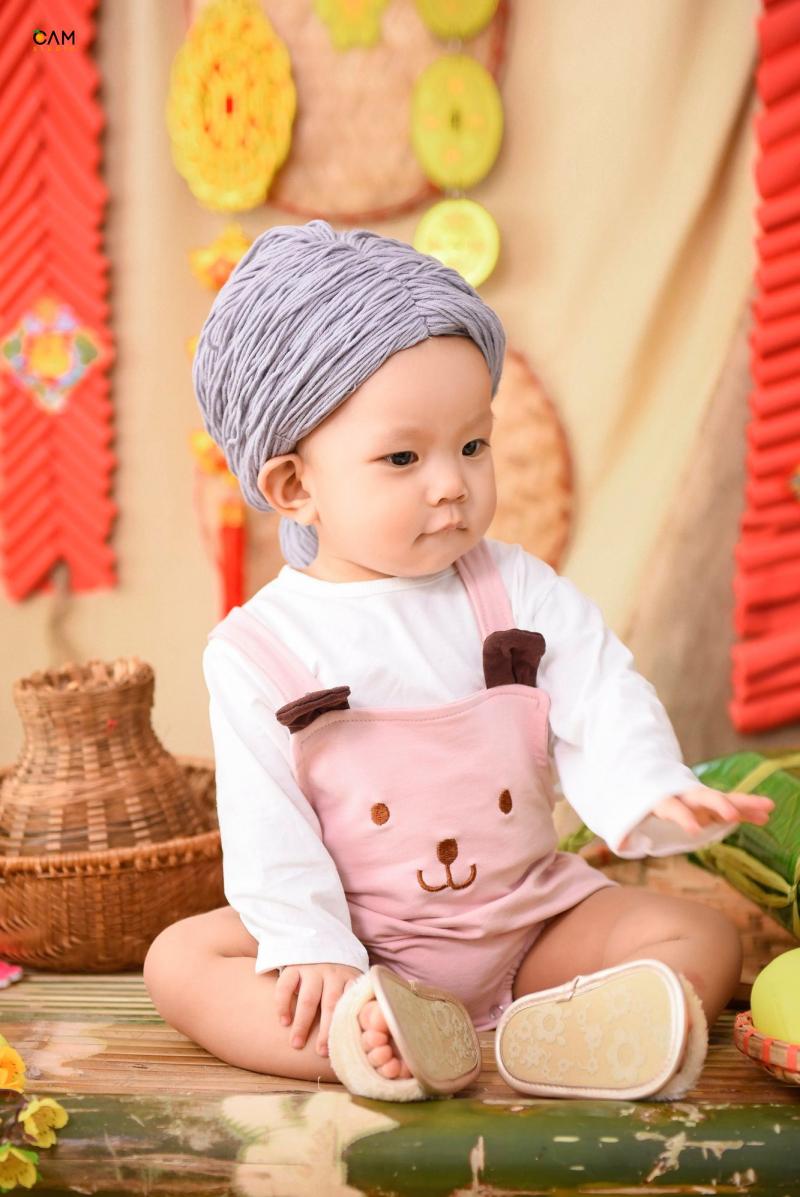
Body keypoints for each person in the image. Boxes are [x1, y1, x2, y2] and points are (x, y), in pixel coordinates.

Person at [143, 220, 773, 1096]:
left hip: (530, 922)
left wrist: (646, 784)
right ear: (295, 486)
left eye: (472, 445)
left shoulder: (514, 588)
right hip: (364, 946)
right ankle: (366, 1038)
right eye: (403, 457)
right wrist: (316, 946)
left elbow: (598, 686)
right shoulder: (259, 648)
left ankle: (566, 1036)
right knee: (180, 959)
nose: (452, 483)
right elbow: (265, 825)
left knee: (698, 937)